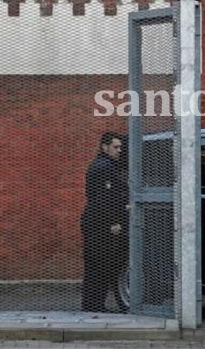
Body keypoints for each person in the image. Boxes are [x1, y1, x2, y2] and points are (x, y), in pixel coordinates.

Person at [81, 132, 128, 312]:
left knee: (97, 264)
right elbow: (104, 199)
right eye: (116, 147)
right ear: (104, 147)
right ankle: (94, 305)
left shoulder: (104, 165)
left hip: (95, 221)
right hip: (99, 223)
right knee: (101, 264)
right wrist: (113, 222)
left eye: (120, 147)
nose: (119, 150)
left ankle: (92, 304)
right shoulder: (104, 167)